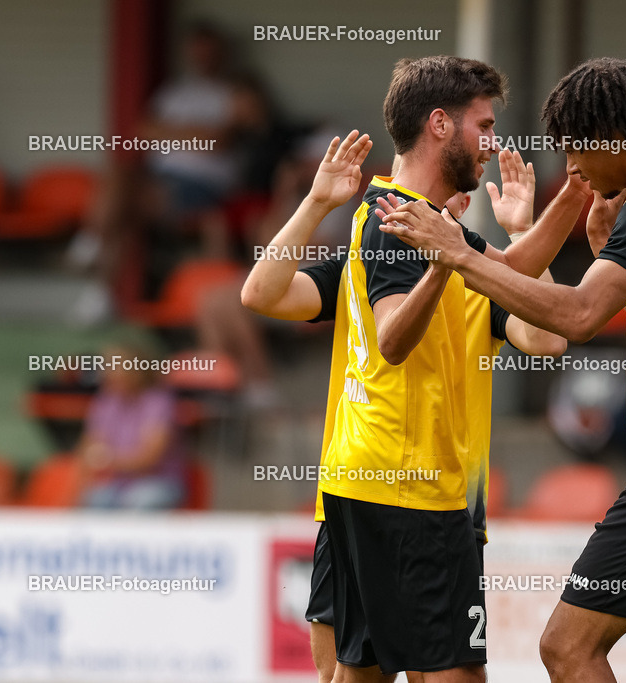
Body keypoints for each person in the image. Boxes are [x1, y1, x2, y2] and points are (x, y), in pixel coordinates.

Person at [376, 57, 626, 683]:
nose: (572, 168)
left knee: (568, 648)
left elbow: (576, 315)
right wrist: (604, 250)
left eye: (577, 150)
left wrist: (456, 252)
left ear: (612, 136)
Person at [241, 53, 583, 681]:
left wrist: (529, 224)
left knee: (354, 676)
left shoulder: (424, 235)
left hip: (368, 488)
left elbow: (543, 333)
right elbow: (390, 339)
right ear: (440, 125)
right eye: (483, 124)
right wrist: (322, 205)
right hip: (411, 494)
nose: (493, 143)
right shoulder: (401, 228)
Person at [78, 344, 186, 509]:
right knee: (96, 499)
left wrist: (107, 459)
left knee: (139, 500)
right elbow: (89, 448)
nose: (108, 374)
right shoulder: (106, 402)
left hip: (160, 482)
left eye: (116, 368)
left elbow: (149, 459)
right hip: (119, 485)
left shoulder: (158, 402)